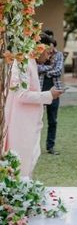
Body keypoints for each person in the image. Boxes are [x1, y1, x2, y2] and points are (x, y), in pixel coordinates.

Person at [3, 44, 63, 177]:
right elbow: (22, 95)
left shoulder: (31, 63)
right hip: (20, 122)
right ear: (40, 48)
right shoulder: (23, 62)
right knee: (20, 161)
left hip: (28, 121)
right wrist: (49, 95)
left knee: (28, 159)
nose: (49, 57)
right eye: (48, 52)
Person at [37, 31, 64, 155]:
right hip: (40, 91)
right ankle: (35, 146)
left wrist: (45, 70)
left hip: (55, 91)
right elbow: (36, 68)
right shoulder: (39, 55)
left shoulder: (59, 55)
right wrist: (50, 68)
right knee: (37, 120)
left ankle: (50, 146)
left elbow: (58, 71)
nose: (50, 50)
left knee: (53, 120)